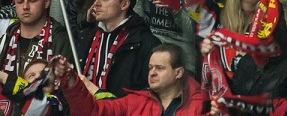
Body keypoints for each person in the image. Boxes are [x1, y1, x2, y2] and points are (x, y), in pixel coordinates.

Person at [56, 43, 206, 116]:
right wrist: (71, 82)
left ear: (178, 73)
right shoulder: (135, 102)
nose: (152, 73)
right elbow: (92, 112)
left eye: (159, 68)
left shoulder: (202, 105)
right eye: (150, 68)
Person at [79, 0, 160, 96]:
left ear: (124, 4)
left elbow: (150, 93)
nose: (96, 4)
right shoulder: (86, 35)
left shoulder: (145, 42)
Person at [0, 0, 70, 82]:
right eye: (20, 2)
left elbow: (67, 85)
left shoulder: (60, 39)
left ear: (46, 2)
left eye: (32, 0)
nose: (25, 7)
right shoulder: (6, 38)